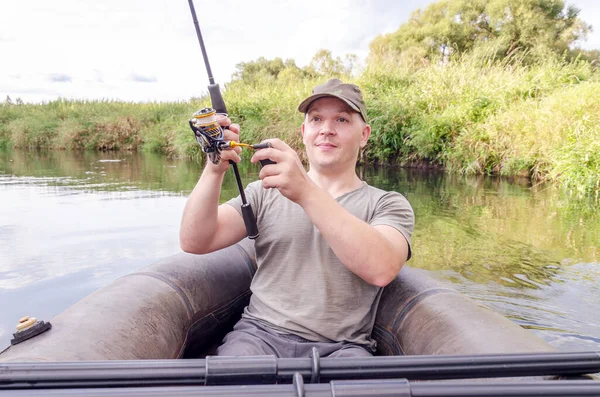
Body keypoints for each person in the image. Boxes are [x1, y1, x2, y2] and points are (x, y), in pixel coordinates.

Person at [180, 78, 414, 358]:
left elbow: (381, 268)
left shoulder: (388, 204)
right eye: (316, 119)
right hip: (258, 336)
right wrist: (215, 168)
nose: (326, 130)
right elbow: (194, 240)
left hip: (343, 348)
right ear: (304, 131)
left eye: (341, 119)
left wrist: (304, 190)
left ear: (364, 135)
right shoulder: (264, 192)